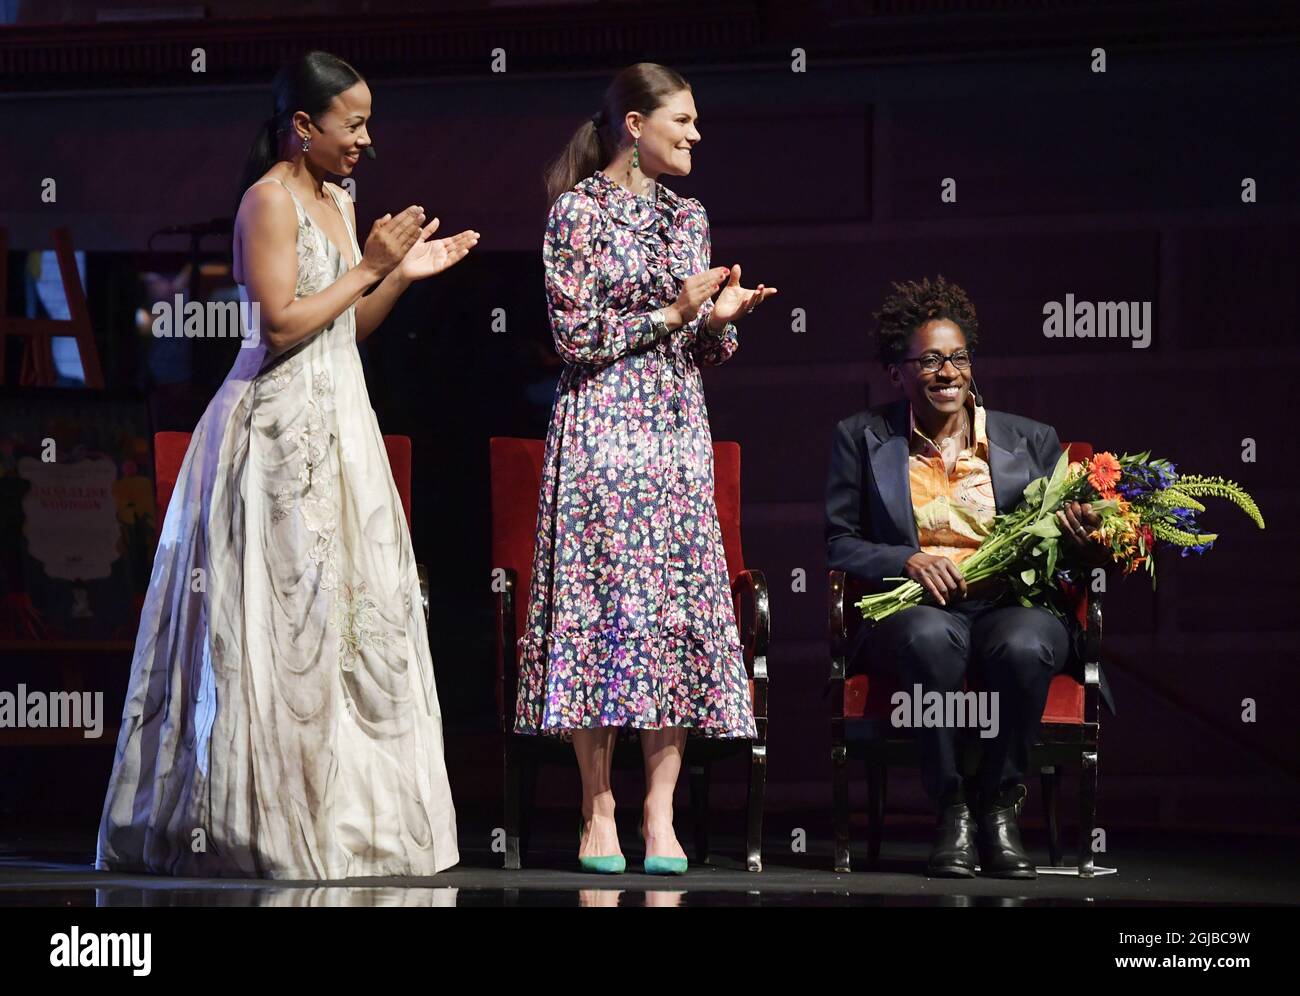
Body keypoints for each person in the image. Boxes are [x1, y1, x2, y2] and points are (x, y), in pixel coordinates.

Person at [96, 51, 478, 878]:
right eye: (353, 124)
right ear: (302, 126)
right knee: (279, 625)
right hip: (272, 434)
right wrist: (372, 267)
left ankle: (346, 826)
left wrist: (398, 277)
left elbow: (344, 326)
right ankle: (256, 827)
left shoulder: (340, 200)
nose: (366, 142)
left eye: (369, 122)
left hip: (344, 423)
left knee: (351, 626)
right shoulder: (266, 201)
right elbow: (278, 326)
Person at [514, 62, 776, 875]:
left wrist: (719, 321)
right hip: (600, 432)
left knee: (671, 615)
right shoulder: (577, 213)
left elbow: (699, 351)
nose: (696, 135)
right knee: (600, 613)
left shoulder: (689, 218)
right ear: (635, 124)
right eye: (683, 120)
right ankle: (600, 808)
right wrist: (673, 309)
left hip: (672, 433)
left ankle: (661, 812)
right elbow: (574, 340)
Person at [824, 275, 1115, 879]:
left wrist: (1085, 538)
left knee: (1027, 644)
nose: (947, 371)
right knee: (931, 640)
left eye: (957, 357)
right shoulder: (862, 437)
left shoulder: (1029, 440)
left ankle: (999, 806)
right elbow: (840, 542)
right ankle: (952, 807)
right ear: (897, 371)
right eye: (928, 360)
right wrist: (905, 559)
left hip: (1010, 603)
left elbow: (1061, 548)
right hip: (915, 611)